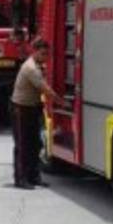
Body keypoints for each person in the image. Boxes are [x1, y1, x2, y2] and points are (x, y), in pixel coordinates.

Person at [10, 39, 67, 190]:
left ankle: (34, 176)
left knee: (35, 144)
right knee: (23, 145)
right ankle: (20, 179)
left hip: (32, 108)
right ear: (34, 51)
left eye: (47, 54)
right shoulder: (30, 68)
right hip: (21, 109)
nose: (45, 56)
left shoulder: (38, 65)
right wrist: (61, 102)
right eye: (42, 53)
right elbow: (45, 89)